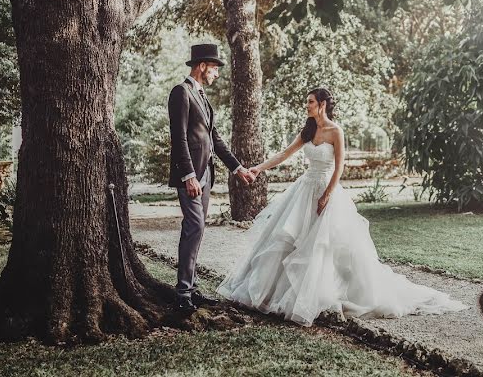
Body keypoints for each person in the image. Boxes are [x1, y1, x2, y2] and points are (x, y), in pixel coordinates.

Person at [218, 87, 467, 325]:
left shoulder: (336, 131)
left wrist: (326, 195)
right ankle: (277, 294)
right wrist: (258, 169)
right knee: (289, 240)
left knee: (322, 246)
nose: (307, 106)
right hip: (304, 190)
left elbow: (339, 168)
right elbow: (284, 154)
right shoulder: (307, 131)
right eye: (307, 102)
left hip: (327, 189)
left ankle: (320, 296)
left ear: (322, 104)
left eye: (310, 102)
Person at [169, 43, 255, 311]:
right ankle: (183, 293)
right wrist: (188, 175)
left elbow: (214, 139)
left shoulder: (202, 97)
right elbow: (179, 137)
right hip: (191, 175)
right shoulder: (180, 93)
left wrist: (237, 168)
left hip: (207, 173)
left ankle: (191, 289)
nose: (217, 73)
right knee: (194, 226)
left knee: (197, 229)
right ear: (202, 65)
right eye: (215, 68)